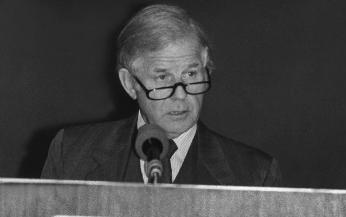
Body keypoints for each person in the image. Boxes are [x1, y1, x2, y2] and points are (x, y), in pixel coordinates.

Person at [41, 4, 281, 186]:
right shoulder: (71, 154)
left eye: (190, 74)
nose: (180, 95)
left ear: (206, 68)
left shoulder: (255, 175)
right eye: (163, 77)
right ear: (129, 83)